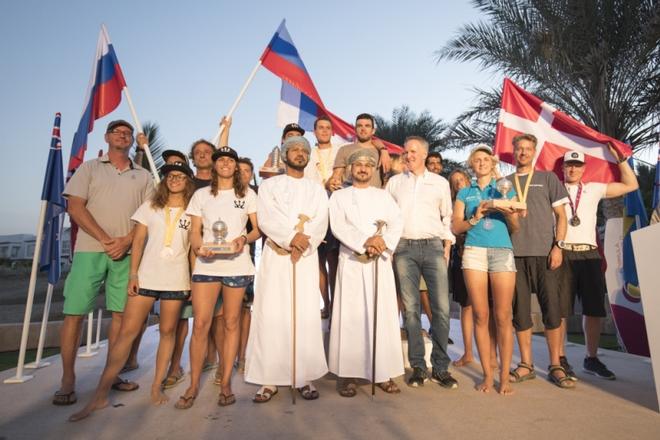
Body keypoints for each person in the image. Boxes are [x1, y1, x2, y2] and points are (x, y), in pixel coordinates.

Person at [69, 162, 196, 421]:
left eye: (180, 176)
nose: (175, 180)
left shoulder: (194, 210)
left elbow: (192, 249)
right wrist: (133, 274)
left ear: (187, 182)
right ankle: (100, 395)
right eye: (171, 176)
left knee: (167, 332)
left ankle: (155, 386)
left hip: (176, 280)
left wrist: (192, 280)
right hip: (147, 278)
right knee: (127, 333)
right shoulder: (150, 206)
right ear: (165, 180)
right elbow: (137, 242)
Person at [53, 120, 154, 406]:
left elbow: (148, 216)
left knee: (121, 316)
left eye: (127, 133)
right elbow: (75, 206)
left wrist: (125, 241)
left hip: (127, 253)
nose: (123, 135)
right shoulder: (90, 168)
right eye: (117, 132)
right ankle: (68, 379)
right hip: (89, 250)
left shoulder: (144, 175)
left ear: (132, 140)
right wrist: (106, 238)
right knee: (75, 313)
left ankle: (112, 376)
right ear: (107, 137)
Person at [245, 136, 329, 403]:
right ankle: (269, 378)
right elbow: (267, 217)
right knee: (272, 313)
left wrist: (303, 242)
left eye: (304, 151)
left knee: (303, 314)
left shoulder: (316, 189)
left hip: (304, 259)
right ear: (285, 155)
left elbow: (321, 221)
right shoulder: (269, 187)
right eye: (294, 150)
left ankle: (302, 376)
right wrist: (290, 238)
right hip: (277, 257)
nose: (300, 154)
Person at [176, 146, 260, 409]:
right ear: (214, 165)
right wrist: (200, 248)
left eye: (230, 160)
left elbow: (257, 230)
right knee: (201, 324)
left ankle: (225, 383)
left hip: (237, 266)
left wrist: (243, 239)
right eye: (220, 160)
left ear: (236, 166)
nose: (225, 164)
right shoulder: (201, 195)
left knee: (232, 323)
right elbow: (195, 233)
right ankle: (192, 385)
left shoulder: (247, 193)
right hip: (207, 266)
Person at [328, 149, 404, 397]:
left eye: (367, 165)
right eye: (358, 164)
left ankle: (382, 373)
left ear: (373, 170)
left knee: (380, 316)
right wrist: (366, 241)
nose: (362, 168)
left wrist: (383, 243)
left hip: (378, 264)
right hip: (351, 262)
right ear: (350, 168)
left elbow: (396, 222)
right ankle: (349, 375)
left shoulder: (384, 197)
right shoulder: (339, 197)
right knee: (350, 319)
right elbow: (339, 226)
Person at [558, 147, 638, 380]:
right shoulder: (553, 189)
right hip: (563, 254)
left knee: (593, 310)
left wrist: (621, 160)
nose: (572, 168)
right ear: (563, 168)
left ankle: (591, 359)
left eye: (577, 165)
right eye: (568, 165)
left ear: (584, 168)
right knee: (561, 311)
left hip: (590, 255)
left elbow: (631, 185)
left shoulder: (593, 188)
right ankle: (560, 359)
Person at [386, 136, 458, 389]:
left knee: (441, 309)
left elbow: (447, 217)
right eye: (406, 152)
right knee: (411, 310)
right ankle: (418, 366)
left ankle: (440, 368)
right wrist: (392, 248)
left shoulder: (439, 183)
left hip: (433, 247)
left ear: (425, 155)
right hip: (404, 248)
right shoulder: (394, 183)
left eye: (413, 151)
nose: (408, 155)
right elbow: (388, 217)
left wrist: (446, 247)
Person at [506, 134, 573, 389]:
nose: (523, 152)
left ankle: (556, 364)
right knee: (521, 311)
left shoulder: (548, 178)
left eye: (527, 149)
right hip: (514, 256)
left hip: (545, 254)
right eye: (519, 148)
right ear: (513, 152)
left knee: (551, 310)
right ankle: (526, 364)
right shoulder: (505, 182)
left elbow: (561, 217)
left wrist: (558, 246)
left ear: (534, 152)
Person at [451, 145, 519, 395]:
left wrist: (505, 211)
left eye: (485, 159)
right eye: (476, 159)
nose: (481, 163)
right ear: (471, 164)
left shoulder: (503, 186)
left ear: (492, 163)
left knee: (503, 316)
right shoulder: (464, 193)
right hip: (474, 253)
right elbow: (456, 227)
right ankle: (488, 376)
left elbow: (516, 225)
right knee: (480, 314)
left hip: (502, 251)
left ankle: (505, 377)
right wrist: (475, 217)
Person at [304, 116, 340, 319]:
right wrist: (323, 186)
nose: (324, 131)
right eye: (320, 128)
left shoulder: (340, 151)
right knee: (318, 261)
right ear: (314, 131)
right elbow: (305, 183)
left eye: (328, 128)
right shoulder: (308, 155)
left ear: (332, 131)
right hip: (315, 213)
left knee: (334, 260)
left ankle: (336, 304)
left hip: (335, 211)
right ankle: (325, 304)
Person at [447, 169, 475, 366]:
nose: (459, 184)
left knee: (486, 308)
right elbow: (452, 230)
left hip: (482, 253)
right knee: (466, 305)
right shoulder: (451, 207)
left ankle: (490, 354)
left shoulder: (478, 199)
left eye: (462, 180)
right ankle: (468, 352)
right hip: (461, 257)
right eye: (455, 182)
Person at [327, 113, 391, 190]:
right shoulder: (344, 149)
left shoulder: (381, 152)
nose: (363, 129)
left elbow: (387, 179)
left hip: (374, 199)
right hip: (350, 197)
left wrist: (383, 150)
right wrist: (331, 183)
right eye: (360, 126)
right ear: (355, 129)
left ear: (373, 130)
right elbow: (336, 176)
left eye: (367, 126)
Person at [235, 157, 257, 373]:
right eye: (238, 169)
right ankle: (216, 359)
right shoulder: (219, 193)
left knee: (244, 309)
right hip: (217, 259)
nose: (242, 173)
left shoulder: (255, 193)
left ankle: (242, 356)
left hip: (246, 258)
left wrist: (244, 240)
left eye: (247, 170)